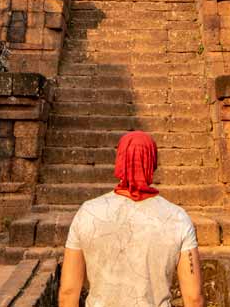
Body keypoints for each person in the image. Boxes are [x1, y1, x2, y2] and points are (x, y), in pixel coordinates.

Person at [58, 130, 204, 307]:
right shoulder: (178, 218)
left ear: (119, 162)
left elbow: (68, 293)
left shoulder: (87, 213)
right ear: (153, 163)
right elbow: (193, 298)